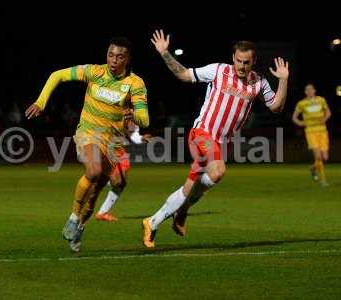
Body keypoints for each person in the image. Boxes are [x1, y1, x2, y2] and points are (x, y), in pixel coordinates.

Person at [142, 29, 289, 248]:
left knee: (191, 186)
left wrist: (284, 80)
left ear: (254, 61)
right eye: (238, 61)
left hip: (223, 142)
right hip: (202, 133)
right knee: (218, 171)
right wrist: (165, 53)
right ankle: (181, 211)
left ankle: (154, 222)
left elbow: (276, 107)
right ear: (233, 58)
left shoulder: (259, 82)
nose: (241, 66)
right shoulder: (218, 71)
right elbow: (184, 75)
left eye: (246, 62)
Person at [25, 37, 149, 252]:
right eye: (110, 54)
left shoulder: (135, 84)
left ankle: (80, 226)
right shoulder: (94, 72)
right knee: (93, 170)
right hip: (89, 133)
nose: (113, 60)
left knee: (111, 186)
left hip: (113, 143)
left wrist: (134, 114)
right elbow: (58, 75)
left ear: (127, 59)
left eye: (119, 56)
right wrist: (41, 102)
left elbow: (144, 120)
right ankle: (73, 217)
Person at [95, 120, 152, 222]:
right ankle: (95, 182)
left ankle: (102, 212)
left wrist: (141, 138)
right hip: (106, 148)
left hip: (119, 151)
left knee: (120, 183)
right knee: (116, 182)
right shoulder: (111, 109)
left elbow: (133, 134)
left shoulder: (133, 116)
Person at [292, 83, 331, 187]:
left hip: (322, 131)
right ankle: (323, 181)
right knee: (318, 157)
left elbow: (328, 113)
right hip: (310, 131)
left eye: (310, 89)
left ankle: (313, 168)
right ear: (305, 92)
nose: (309, 91)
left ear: (314, 90)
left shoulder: (321, 100)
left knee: (325, 158)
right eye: (307, 90)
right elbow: (294, 117)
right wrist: (300, 123)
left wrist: (325, 118)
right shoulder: (301, 103)